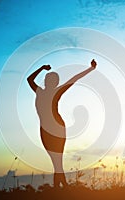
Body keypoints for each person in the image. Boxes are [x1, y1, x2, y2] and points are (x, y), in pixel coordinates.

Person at [27, 59, 97, 187]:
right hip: (45, 129)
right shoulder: (39, 91)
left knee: (57, 161)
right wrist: (41, 68)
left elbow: (74, 79)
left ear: (56, 83)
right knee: (56, 162)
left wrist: (91, 69)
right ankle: (62, 189)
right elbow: (29, 79)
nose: (52, 82)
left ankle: (60, 189)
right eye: (50, 80)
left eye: (54, 81)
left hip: (57, 127)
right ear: (46, 81)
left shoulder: (56, 91)